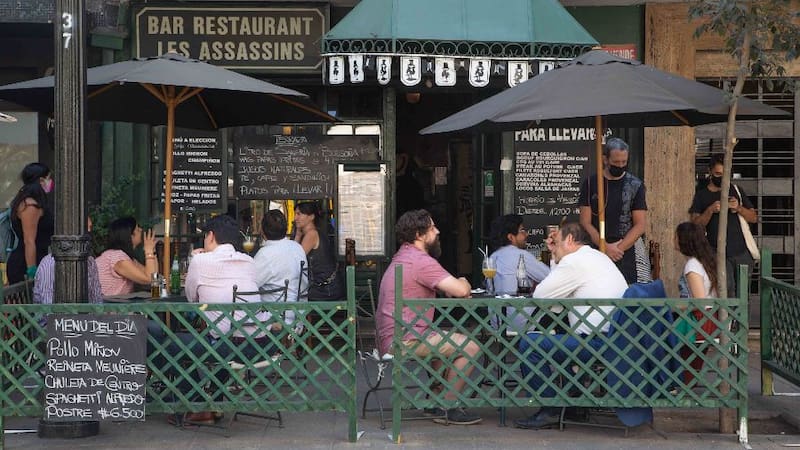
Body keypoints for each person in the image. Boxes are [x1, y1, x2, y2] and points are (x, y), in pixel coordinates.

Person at [514, 222, 628, 430]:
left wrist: (557, 258)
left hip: (598, 342)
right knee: (560, 333)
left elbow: (541, 296)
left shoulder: (574, 261)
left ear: (569, 240)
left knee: (530, 344)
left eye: (556, 243)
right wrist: (555, 255)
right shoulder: (596, 256)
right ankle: (575, 404)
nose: (554, 247)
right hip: (617, 340)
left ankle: (551, 409)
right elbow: (554, 297)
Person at [170, 215, 280, 425]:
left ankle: (198, 405)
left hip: (231, 347)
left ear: (211, 236)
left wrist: (195, 260)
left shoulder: (200, 261)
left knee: (170, 344)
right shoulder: (249, 261)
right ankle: (215, 402)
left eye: (205, 236)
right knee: (219, 332)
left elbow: (192, 299)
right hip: (263, 345)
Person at [376, 209, 482, 426]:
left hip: (393, 336)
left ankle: (435, 400)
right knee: (470, 348)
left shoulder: (404, 256)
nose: (438, 231)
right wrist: (464, 280)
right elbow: (460, 290)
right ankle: (447, 407)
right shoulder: (421, 261)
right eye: (432, 228)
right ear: (419, 234)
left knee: (442, 345)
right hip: (405, 339)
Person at [578, 137, 649, 284]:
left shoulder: (635, 185)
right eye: (616, 162)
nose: (621, 165)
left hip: (626, 249)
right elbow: (585, 221)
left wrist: (618, 249)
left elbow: (640, 224)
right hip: (596, 248)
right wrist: (604, 246)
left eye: (624, 162)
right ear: (605, 159)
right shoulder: (591, 184)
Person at [689, 153, 758, 296]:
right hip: (717, 253)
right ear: (710, 172)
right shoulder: (701, 195)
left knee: (743, 293)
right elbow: (695, 224)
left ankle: (741, 313)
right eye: (718, 174)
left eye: (725, 174)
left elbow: (753, 217)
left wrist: (738, 208)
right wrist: (710, 210)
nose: (722, 178)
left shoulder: (736, 190)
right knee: (726, 290)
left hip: (741, 252)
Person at [488, 214, 550, 332]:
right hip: (523, 323)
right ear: (511, 237)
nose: (526, 234)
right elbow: (551, 278)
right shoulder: (521, 255)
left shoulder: (493, 257)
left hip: (497, 324)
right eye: (522, 231)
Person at [675, 221, 718, 383]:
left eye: (675, 237)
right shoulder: (704, 261)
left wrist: (673, 305)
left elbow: (699, 302)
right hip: (710, 319)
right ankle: (687, 377)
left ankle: (678, 378)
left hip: (699, 321)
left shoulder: (692, 265)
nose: (673, 240)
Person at [253, 209, 309, 327]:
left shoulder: (265, 254)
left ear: (262, 231)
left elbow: (250, 285)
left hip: (276, 320)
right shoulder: (297, 247)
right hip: (299, 318)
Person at [6, 163, 55, 284]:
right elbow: (29, 240)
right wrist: (32, 271)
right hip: (25, 265)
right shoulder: (30, 205)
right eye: (49, 178)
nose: (51, 182)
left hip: (37, 260)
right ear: (41, 180)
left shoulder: (34, 202)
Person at [293, 201, 344, 300]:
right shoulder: (314, 232)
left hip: (324, 289)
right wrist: (298, 234)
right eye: (295, 214)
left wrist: (298, 236)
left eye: (299, 214)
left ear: (311, 217)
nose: (295, 218)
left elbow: (296, 258)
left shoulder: (311, 234)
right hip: (326, 287)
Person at [95, 217, 158, 296]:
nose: (141, 230)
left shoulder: (126, 258)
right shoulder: (117, 258)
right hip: (106, 303)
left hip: (115, 302)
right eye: (137, 229)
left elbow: (154, 277)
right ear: (130, 235)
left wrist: (153, 251)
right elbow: (149, 279)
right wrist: (149, 251)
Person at [34, 253, 103, 304]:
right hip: (52, 318)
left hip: (85, 317)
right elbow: (48, 306)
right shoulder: (49, 263)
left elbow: (96, 299)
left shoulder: (90, 261)